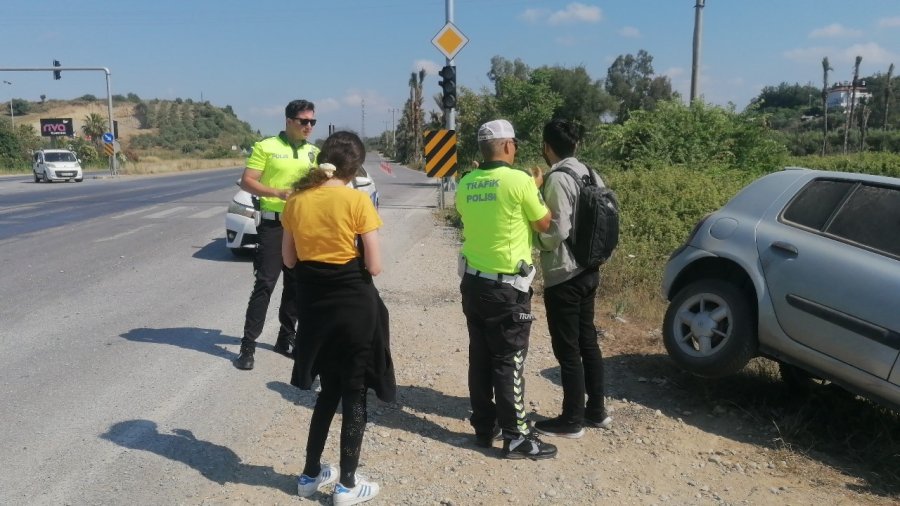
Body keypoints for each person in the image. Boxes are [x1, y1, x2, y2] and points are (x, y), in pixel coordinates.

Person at [282, 131, 394, 505]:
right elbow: (375, 266)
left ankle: (310, 475)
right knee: (354, 393)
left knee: (327, 391)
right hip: (354, 311)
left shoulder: (295, 201)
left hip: (315, 311)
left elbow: (289, 260)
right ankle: (347, 485)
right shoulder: (357, 202)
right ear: (356, 166)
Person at [456, 119, 558, 460]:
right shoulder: (519, 181)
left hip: (473, 284)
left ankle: (485, 428)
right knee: (508, 359)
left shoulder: (466, 182)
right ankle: (516, 436)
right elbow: (544, 223)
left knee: (480, 357)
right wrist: (537, 187)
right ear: (509, 146)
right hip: (507, 289)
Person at [533, 119, 612, 439]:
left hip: (565, 273)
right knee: (587, 342)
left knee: (567, 349)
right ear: (576, 145)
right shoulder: (592, 173)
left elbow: (555, 231)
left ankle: (571, 420)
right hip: (590, 269)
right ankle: (596, 411)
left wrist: (534, 242)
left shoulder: (557, 179)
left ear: (547, 147)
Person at [234, 100, 319, 370]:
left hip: (301, 225)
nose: (308, 126)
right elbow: (248, 180)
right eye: (303, 121)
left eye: (312, 122)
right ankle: (247, 347)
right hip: (273, 225)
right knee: (265, 284)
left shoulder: (314, 153)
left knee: (295, 285)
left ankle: (286, 338)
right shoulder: (266, 146)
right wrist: (277, 193)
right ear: (288, 121)